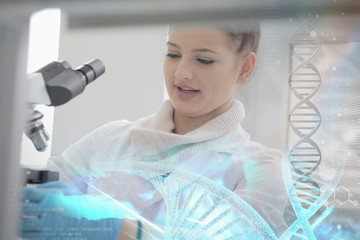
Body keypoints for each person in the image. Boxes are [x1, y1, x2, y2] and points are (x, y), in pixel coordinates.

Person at [21, 21, 289, 240]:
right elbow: (41, 199)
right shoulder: (110, 139)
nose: (182, 72)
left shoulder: (262, 170)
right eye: (173, 54)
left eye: (204, 60)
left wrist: (119, 232)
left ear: (245, 68)